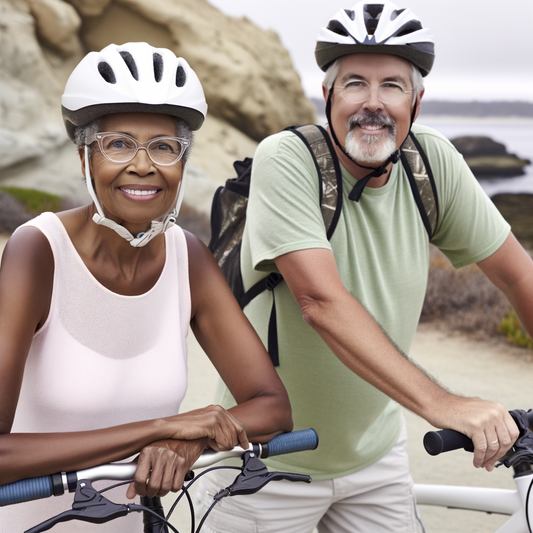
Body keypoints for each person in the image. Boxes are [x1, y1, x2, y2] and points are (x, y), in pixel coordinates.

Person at [195, 2, 533, 532]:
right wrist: (444, 405)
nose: (372, 104)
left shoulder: (433, 163)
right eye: (355, 83)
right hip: (267, 464)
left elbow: (519, 274)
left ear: (416, 103)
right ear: (328, 96)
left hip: (375, 459)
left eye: (392, 86)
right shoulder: (287, 159)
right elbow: (320, 302)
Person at [0, 42, 292, 532]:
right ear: (84, 157)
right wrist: (161, 428)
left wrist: (189, 441)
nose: (143, 165)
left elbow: (272, 406)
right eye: (118, 143)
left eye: (164, 146)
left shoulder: (188, 257)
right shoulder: (38, 252)